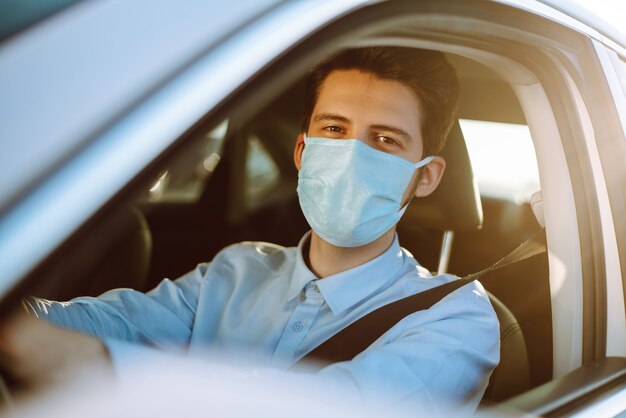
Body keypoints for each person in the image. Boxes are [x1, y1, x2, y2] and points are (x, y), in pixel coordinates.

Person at [0, 47, 499, 414]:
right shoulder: (237, 268)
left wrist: (90, 365)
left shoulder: (457, 318)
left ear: (426, 175)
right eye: (334, 129)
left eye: (385, 140)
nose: (351, 154)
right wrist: (23, 318)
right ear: (303, 153)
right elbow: (119, 321)